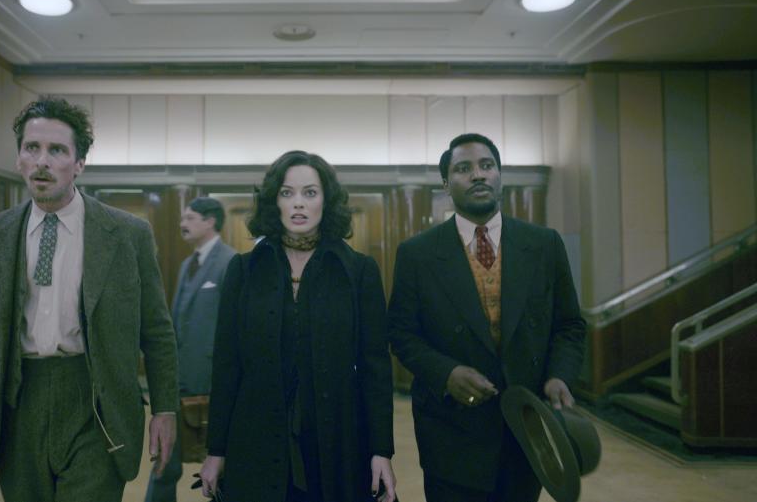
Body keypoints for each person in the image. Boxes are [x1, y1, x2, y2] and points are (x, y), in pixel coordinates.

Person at [0, 96, 179, 502]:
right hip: (18, 402)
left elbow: (156, 329)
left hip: (96, 403)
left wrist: (165, 408)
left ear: (79, 164)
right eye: (32, 148)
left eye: (57, 150)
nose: (42, 161)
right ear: (19, 159)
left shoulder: (126, 235)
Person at [387, 133, 586, 502]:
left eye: (486, 165)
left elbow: (569, 325)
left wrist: (560, 375)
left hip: (526, 429)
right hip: (451, 432)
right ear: (446, 184)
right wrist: (445, 373)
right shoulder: (417, 254)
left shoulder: (544, 245)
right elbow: (401, 333)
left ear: (500, 176)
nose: (478, 175)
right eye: (463, 169)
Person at [199, 151, 397, 502]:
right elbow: (227, 366)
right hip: (256, 435)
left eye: (310, 193)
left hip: (337, 436)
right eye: (287, 193)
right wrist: (216, 450)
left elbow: (375, 369)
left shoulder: (359, 271)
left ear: (326, 201)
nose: (298, 204)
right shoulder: (244, 270)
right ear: (274, 202)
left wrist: (382, 450)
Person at [145, 197, 235, 502]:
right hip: (179, 385)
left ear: (210, 222)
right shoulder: (187, 264)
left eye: (190, 218)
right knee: (163, 464)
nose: (183, 223)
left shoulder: (230, 262)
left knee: (222, 468)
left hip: (214, 385)